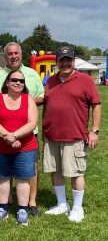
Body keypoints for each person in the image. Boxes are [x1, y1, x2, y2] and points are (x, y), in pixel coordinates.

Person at [43, 46, 101, 223]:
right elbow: (46, 102)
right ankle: (62, 204)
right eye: (62, 60)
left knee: (76, 172)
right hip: (51, 135)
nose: (65, 63)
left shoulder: (85, 80)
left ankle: (77, 207)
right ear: (57, 62)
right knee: (56, 170)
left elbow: (96, 105)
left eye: (69, 59)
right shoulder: (51, 81)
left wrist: (94, 130)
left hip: (74, 136)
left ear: (74, 61)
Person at [0, 42, 44, 216]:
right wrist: (7, 135)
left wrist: (21, 102)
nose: (14, 56)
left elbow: (41, 97)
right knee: (4, 172)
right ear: (5, 56)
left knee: (28, 171)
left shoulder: (32, 74)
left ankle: (31, 202)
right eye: (10, 53)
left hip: (27, 136)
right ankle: (6, 203)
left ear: (21, 54)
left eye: (17, 53)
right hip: (2, 136)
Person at [0, 70, 38, 224]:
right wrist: (7, 137)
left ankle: (22, 209)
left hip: (25, 147)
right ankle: (2, 207)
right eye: (14, 80)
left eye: (21, 81)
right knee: (2, 177)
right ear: (7, 83)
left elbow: (32, 122)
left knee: (23, 178)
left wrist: (14, 136)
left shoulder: (28, 99)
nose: (18, 83)